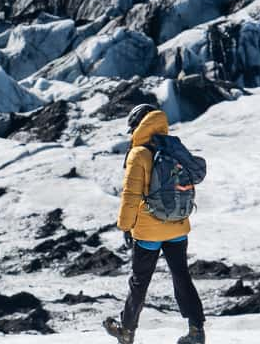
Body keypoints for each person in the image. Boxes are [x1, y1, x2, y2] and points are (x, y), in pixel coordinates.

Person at [103, 104, 206, 344]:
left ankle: (126, 332)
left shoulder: (139, 153)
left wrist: (126, 227)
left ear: (138, 125)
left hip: (148, 232)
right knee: (181, 276)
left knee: (139, 282)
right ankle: (196, 330)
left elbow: (130, 196)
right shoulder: (172, 147)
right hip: (177, 227)